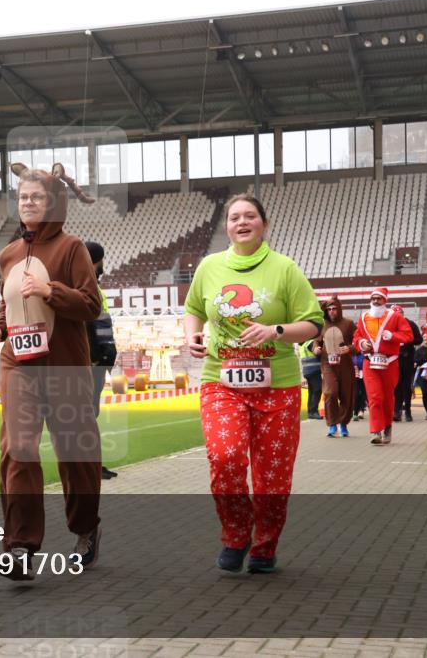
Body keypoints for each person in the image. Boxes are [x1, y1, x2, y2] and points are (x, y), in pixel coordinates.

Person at [183, 193, 323, 575]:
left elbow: (313, 323)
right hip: (221, 381)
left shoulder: (285, 269)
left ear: (264, 223)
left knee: (272, 476)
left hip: (277, 385)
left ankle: (265, 545)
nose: (241, 222)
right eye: (234, 217)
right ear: (227, 226)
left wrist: (275, 330)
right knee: (225, 457)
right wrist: (192, 335)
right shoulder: (209, 267)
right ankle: (236, 534)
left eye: (250, 216)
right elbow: (193, 309)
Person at [0, 162, 103, 581]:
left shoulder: (72, 249)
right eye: (23, 197)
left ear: (53, 203)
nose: (28, 203)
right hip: (18, 364)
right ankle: (19, 547)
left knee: (75, 453)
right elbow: (10, 303)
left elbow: (91, 305)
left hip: (65, 365)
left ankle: (85, 527)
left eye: (37, 197)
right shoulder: (8, 255)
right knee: (18, 448)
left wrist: (51, 290)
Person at [352, 288, 414, 445]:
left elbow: (409, 335)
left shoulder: (395, 317)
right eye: (373, 298)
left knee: (387, 398)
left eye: (379, 298)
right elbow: (357, 336)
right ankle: (376, 431)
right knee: (374, 397)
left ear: (385, 300)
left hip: (390, 362)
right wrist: (361, 343)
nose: (375, 301)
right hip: (369, 361)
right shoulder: (364, 317)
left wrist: (393, 336)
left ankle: (387, 427)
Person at [84, 240, 119, 480]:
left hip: (98, 359)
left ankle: (93, 465)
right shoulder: (86, 287)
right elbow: (90, 324)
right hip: (91, 361)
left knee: (90, 413)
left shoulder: (94, 287)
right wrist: (96, 356)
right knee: (86, 414)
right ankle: (88, 468)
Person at [313, 296, 356, 438]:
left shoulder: (348, 324)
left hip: (345, 364)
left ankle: (343, 424)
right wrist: (316, 348)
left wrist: (350, 348)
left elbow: (358, 342)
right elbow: (316, 342)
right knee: (330, 392)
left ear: (339, 310)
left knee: (346, 395)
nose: (331, 311)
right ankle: (332, 424)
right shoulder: (322, 324)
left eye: (334, 308)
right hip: (328, 364)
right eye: (329, 309)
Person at [390, 305, 423, 422]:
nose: (397, 318)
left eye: (399, 315)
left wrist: (407, 339)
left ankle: (408, 411)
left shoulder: (410, 324)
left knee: (406, 385)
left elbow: (419, 339)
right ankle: (397, 411)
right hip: (394, 358)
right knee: (396, 385)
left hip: (407, 358)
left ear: (403, 314)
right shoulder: (389, 325)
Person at [299, 340, 323, 420]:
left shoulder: (303, 344)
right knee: (317, 390)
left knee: (312, 391)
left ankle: (311, 412)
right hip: (313, 370)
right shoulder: (311, 342)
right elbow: (317, 352)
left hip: (307, 370)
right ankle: (313, 411)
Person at [413, 333, 427, 420]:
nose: (426, 338)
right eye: (424, 337)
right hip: (423, 375)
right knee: (425, 393)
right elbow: (415, 362)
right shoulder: (419, 350)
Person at [352, 352, 367, 421]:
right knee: (356, 393)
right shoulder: (352, 353)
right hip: (355, 374)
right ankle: (355, 412)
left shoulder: (363, 353)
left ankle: (361, 410)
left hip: (364, 374)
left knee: (363, 393)